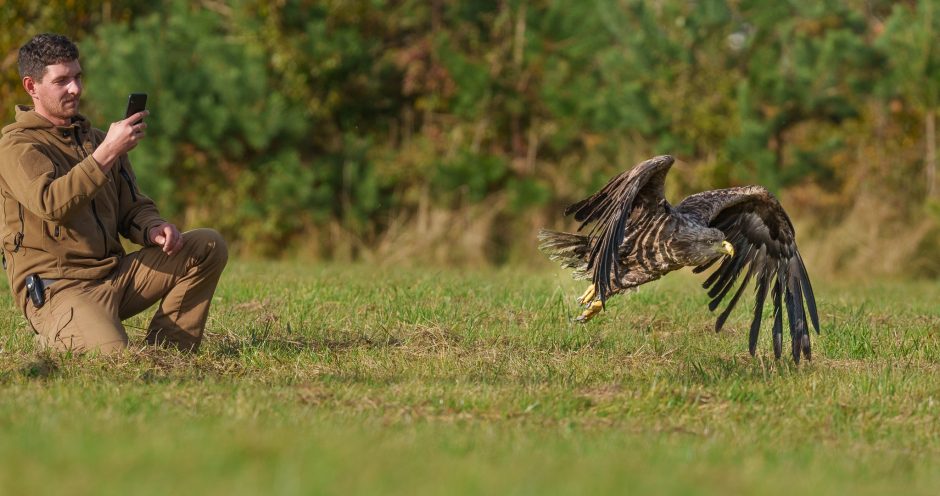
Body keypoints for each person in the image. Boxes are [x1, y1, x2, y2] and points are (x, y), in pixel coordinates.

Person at [0, 33, 228, 354]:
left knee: (207, 245)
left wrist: (152, 228)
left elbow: (132, 208)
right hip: (59, 288)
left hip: (114, 277)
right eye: (62, 80)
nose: (75, 89)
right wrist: (106, 153)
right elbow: (50, 203)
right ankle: (61, 333)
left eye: (78, 77)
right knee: (113, 358)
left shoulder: (96, 141)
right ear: (31, 87)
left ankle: (169, 352)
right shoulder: (17, 145)